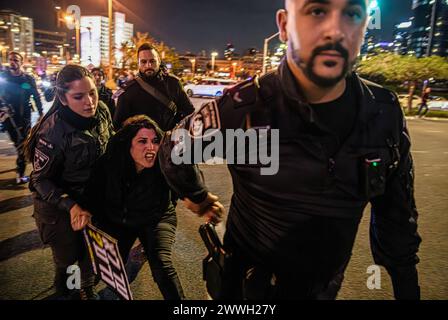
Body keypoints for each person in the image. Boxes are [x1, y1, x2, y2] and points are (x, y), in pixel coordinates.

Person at [159, 0, 421, 300]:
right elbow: (173, 150)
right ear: (284, 25)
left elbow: (397, 218)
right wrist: (197, 195)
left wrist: (407, 287)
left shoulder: (382, 113)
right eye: (317, 11)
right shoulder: (244, 110)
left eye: (351, 13)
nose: (335, 30)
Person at [26, 64, 114, 299]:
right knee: (68, 259)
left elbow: (111, 143)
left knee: (91, 251)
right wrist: (70, 206)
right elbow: (40, 180)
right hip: (58, 207)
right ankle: (68, 292)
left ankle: (85, 287)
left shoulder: (102, 111)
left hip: (91, 198)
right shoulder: (52, 132)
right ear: (63, 99)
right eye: (79, 96)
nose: (89, 102)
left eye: (92, 93)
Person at [83, 115, 185, 300]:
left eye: (155, 141)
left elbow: (185, 185)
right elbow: (93, 196)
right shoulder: (109, 164)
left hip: (156, 218)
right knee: (105, 266)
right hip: (119, 220)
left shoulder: (165, 162)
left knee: (161, 264)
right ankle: (87, 289)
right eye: (142, 141)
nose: (150, 147)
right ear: (127, 144)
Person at [113, 43, 194, 131]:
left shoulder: (173, 84)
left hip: (171, 141)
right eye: (144, 62)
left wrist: (176, 128)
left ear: (159, 61)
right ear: (138, 63)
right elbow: (118, 125)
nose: (148, 65)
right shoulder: (128, 90)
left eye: (152, 61)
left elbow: (189, 112)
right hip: (143, 143)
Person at [0, 51, 43, 184]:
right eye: (11, 59)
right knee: (19, 144)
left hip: (25, 116)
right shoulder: (3, 77)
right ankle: (20, 172)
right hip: (8, 117)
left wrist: (41, 112)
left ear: (21, 62)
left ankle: (20, 171)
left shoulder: (28, 79)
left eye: (16, 60)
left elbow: (35, 96)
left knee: (23, 143)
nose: (13, 62)